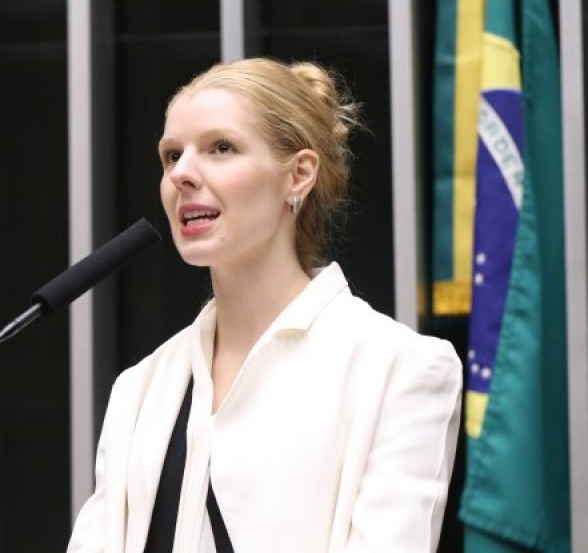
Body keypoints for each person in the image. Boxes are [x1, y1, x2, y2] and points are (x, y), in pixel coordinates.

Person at [67, 58, 462, 552]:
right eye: (172, 156)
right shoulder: (139, 388)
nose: (182, 174)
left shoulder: (400, 368)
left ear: (299, 175)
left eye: (221, 148)